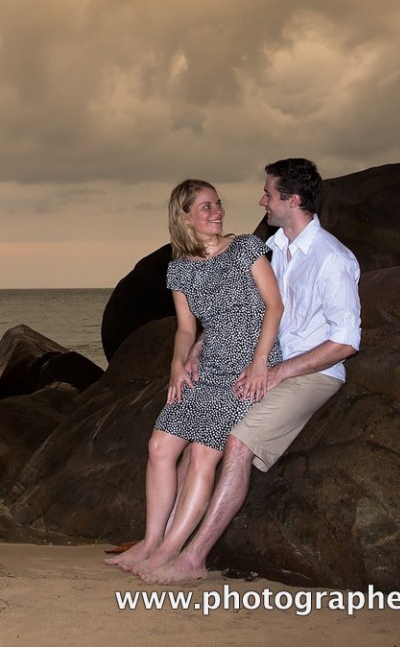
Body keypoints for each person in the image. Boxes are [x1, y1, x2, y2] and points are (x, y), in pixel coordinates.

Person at [140, 158, 360, 585]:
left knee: (234, 444)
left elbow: (346, 342)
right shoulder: (274, 246)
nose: (260, 200)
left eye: (268, 193)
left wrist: (273, 370)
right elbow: (236, 306)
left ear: (290, 200)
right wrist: (197, 349)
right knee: (176, 446)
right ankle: (161, 543)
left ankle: (192, 557)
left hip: (312, 368)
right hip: (266, 359)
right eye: (207, 206)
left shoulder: (332, 258)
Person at [108, 179, 284, 575]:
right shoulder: (179, 270)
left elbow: (274, 306)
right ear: (184, 216)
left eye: (218, 204)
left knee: (204, 452)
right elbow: (186, 328)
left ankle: (172, 551)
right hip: (208, 366)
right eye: (206, 206)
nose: (217, 211)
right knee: (159, 447)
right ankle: (151, 541)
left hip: (247, 366)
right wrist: (177, 364)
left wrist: (260, 364)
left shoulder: (246, 248)